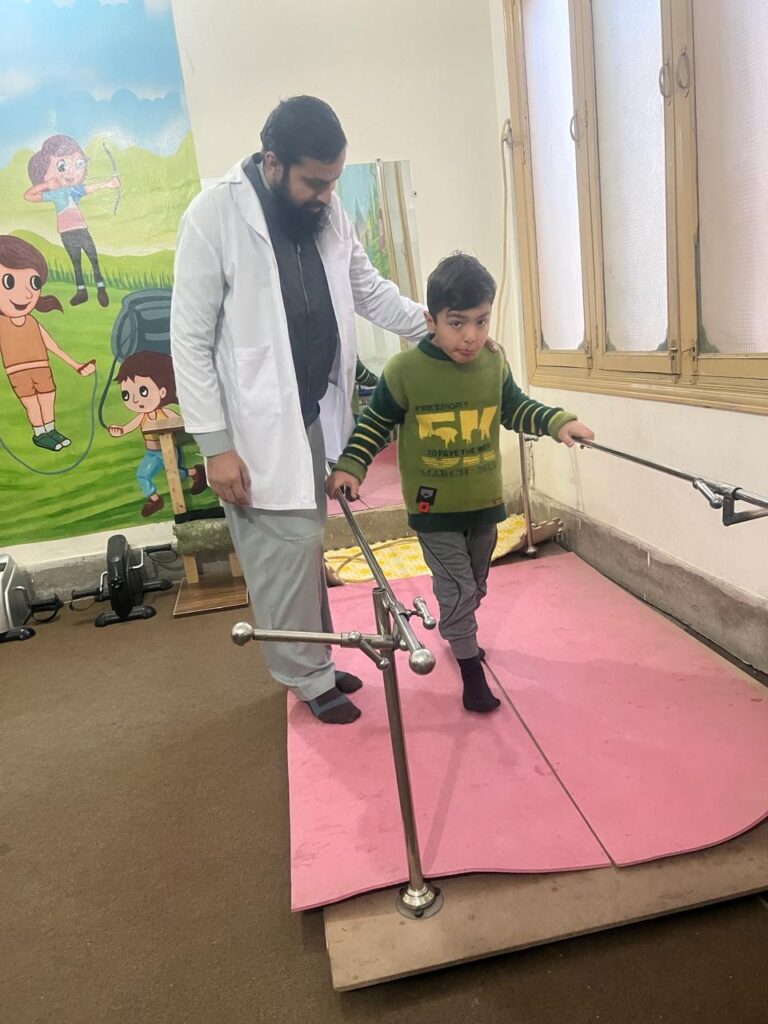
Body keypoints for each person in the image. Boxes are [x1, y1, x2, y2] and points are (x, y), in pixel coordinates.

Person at [170, 96, 427, 725]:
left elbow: (369, 290)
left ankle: (319, 653)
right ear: (274, 162)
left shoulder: (329, 214)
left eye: (334, 180)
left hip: (312, 413)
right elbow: (189, 338)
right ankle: (305, 678)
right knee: (280, 555)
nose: (326, 194)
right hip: (252, 430)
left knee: (307, 547)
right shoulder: (215, 215)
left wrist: (435, 328)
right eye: (316, 181)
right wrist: (214, 444)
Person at [327, 253, 595, 714]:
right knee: (456, 587)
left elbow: (516, 408)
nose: (471, 336)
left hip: (483, 503)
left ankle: (458, 631)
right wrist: (352, 465)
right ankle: (471, 671)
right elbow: (375, 424)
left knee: (474, 584)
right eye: (456, 323)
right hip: (434, 510)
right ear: (430, 320)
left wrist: (557, 423)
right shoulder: (405, 371)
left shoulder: (492, 365)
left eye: (481, 321)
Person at [0, 234, 96, 451]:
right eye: (9, 282)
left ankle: (50, 430)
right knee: (31, 403)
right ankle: (39, 434)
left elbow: (52, 346)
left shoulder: (33, 321)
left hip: (41, 367)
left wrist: (76, 365)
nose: (26, 294)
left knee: (47, 397)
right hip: (18, 370)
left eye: (33, 283)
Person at [106, 351, 207, 518]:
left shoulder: (165, 413)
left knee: (175, 473)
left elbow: (181, 421)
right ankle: (155, 499)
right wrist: (120, 430)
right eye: (127, 395)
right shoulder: (142, 416)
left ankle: (195, 473)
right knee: (142, 475)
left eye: (143, 392)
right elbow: (127, 427)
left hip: (168, 449)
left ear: (161, 391)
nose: (135, 400)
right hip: (151, 453)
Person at [24, 135, 120, 308]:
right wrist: (47, 185)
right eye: (62, 166)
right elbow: (28, 195)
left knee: (93, 259)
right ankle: (81, 291)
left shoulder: (75, 190)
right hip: (67, 232)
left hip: (81, 229)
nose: (70, 172)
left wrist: (107, 184)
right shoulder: (54, 193)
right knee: (76, 263)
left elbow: (89, 188)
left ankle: (101, 289)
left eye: (78, 164)